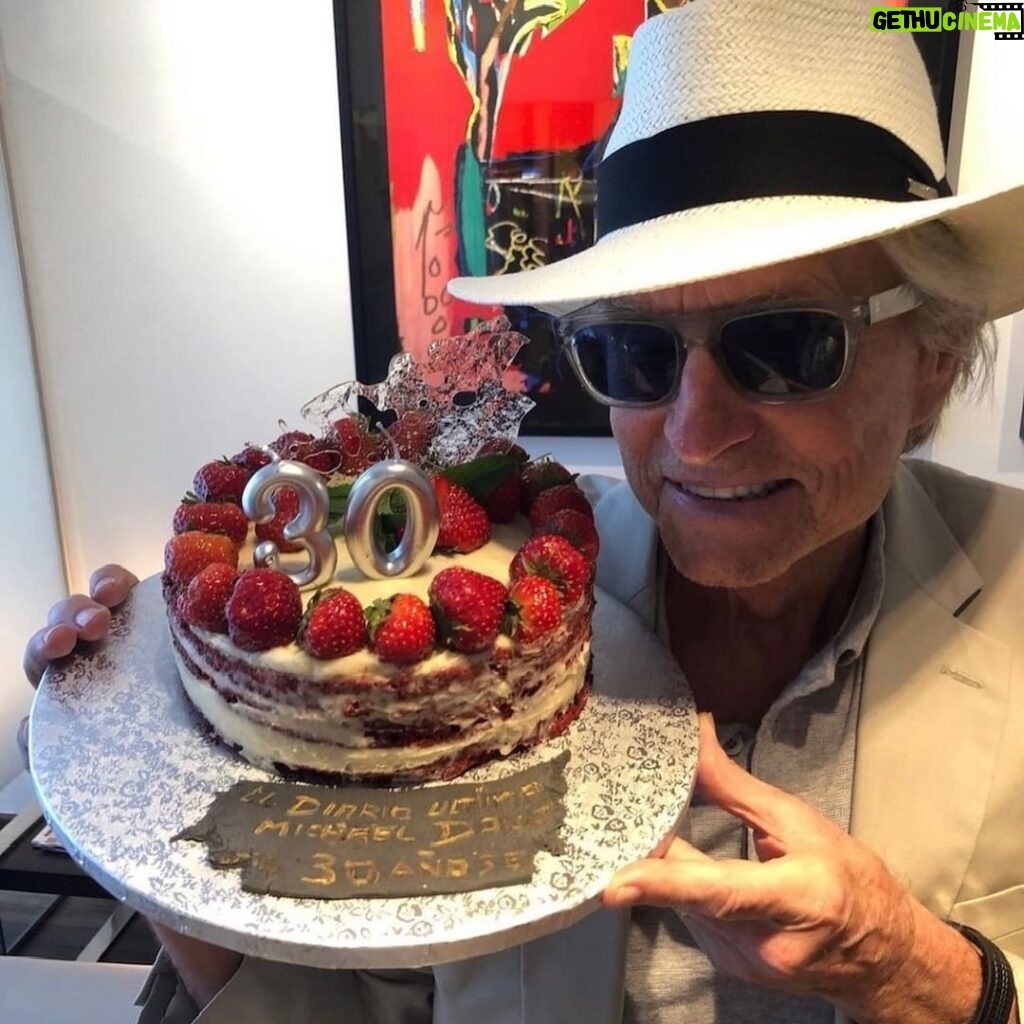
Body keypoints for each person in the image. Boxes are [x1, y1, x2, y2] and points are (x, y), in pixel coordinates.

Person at [19, 2, 1024, 1022]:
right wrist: (173, 869)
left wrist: (920, 972)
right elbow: (367, 1009)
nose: (695, 433)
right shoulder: (492, 631)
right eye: (635, 352)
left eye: (785, 343)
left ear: (935, 361)